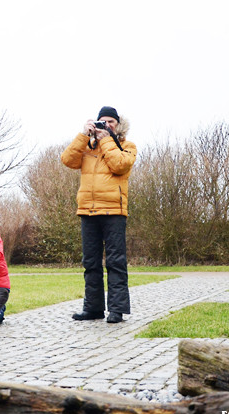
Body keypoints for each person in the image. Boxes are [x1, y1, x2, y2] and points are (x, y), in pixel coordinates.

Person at [61, 106, 137, 323]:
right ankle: (93, 309)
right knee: (90, 263)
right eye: (102, 122)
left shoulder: (127, 147)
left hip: (114, 211)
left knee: (116, 262)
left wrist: (106, 140)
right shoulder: (87, 147)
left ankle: (117, 310)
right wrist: (83, 135)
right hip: (87, 210)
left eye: (111, 122)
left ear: (118, 125)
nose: (106, 125)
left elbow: (120, 165)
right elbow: (67, 160)